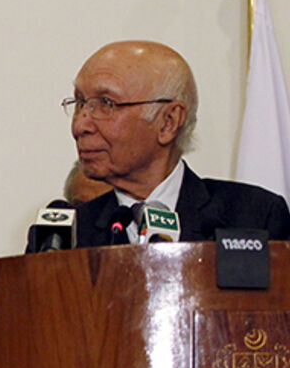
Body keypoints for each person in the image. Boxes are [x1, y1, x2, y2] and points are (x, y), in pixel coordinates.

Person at [66, 40, 289, 246]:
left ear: (168, 123)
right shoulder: (68, 236)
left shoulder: (254, 217)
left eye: (106, 103)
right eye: (80, 103)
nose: (79, 126)